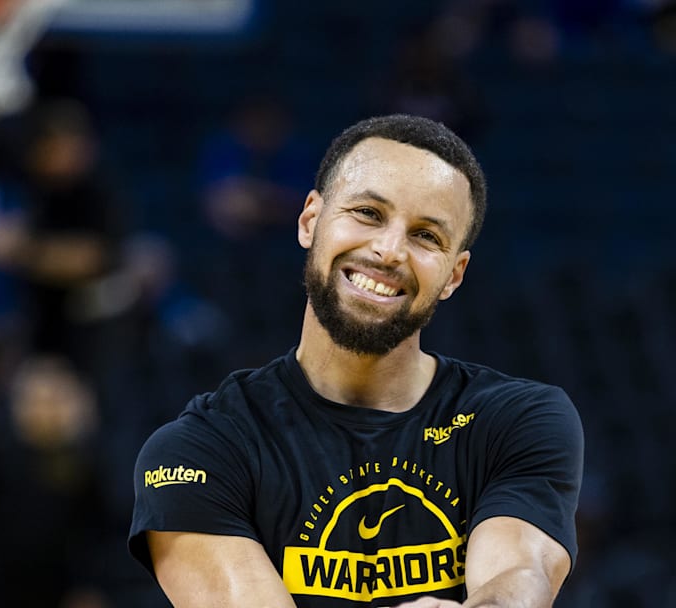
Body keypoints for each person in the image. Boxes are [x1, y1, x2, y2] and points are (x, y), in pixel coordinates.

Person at [128, 114, 584, 607]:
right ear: (310, 220)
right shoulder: (200, 450)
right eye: (368, 212)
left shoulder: (517, 420)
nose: (389, 251)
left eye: (427, 236)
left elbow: (520, 575)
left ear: (455, 275)